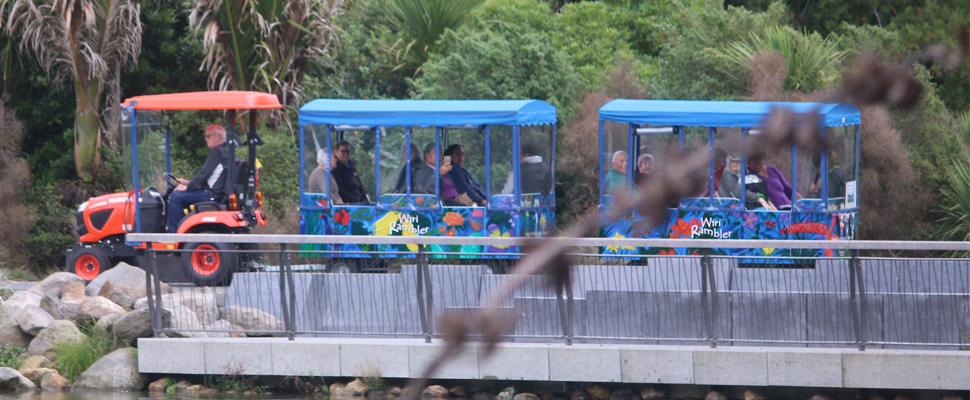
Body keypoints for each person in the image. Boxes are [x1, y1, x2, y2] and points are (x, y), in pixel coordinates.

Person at [168, 124, 233, 233]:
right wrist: (187, 182)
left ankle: (175, 235)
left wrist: (186, 187)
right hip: (219, 193)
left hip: (211, 195)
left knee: (176, 196)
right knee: (181, 195)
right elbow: (213, 178)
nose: (205, 139)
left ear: (218, 136)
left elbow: (204, 173)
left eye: (208, 136)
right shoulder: (228, 150)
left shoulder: (217, 151)